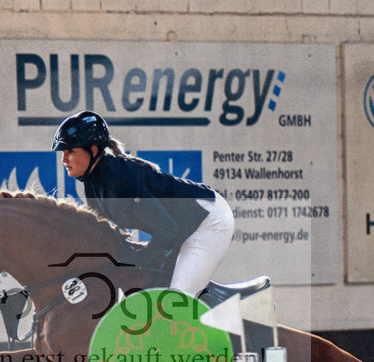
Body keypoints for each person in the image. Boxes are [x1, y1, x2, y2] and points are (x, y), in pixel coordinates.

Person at [52, 110, 236, 297]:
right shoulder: (91, 182)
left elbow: (167, 229)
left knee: (176, 300)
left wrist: (137, 260)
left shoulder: (121, 178)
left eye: (70, 151)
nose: (64, 159)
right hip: (182, 228)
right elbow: (100, 234)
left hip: (208, 221)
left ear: (92, 150)